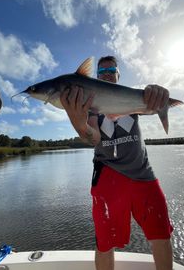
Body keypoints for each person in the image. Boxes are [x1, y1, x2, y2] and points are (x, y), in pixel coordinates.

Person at [60, 56, 173, 270]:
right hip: (108, 175)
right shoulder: (91, 107)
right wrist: (79, 123)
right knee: (104, 243)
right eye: (101, 72)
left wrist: (158, 94)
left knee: (162, 234)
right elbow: (93, 137)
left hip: (143, 173)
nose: (107, 74)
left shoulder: (130, 98)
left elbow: (148, 103)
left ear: (119, 74)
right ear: (96, 76)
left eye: (111, 69)